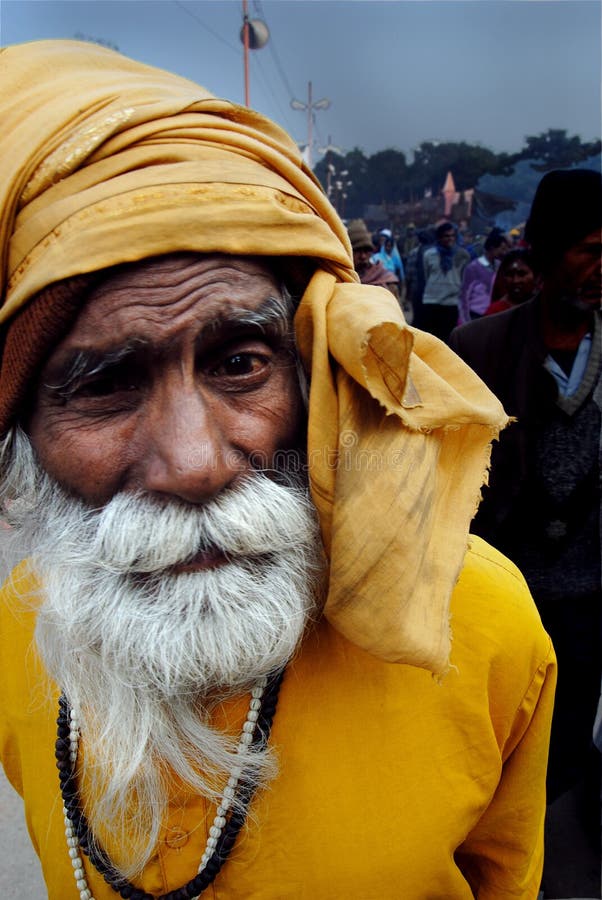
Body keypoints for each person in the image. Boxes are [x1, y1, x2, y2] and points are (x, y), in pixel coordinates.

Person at [0, 40, 555, 899]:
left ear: (312, 374)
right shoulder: (19, 631)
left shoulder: (479, 622)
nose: (194, 462)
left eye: (239, 364)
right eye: (105, 385)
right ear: (21, 434)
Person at [450, 168, 602, 898]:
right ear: (541, 254)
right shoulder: (478, 350)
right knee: (488, 755)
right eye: (588, 248)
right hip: (500, 600)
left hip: (591, 601)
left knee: (567, 750)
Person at [421, 222, 470, 341]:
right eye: (446, 236)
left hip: (451, 303)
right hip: (431, 301)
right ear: (439, 238)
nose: (450, 239)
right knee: (431, 339)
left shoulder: (463, 255)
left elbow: (464, 278)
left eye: (452, 236)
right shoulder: (429, 254)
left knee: (447, 339)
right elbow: (426, 275)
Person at [458, 228, 510, 324]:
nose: (504, 252)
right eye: (501, 249)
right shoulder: (473, 267)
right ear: (492, 248)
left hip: (492, 313)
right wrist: (465, 320)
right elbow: (464, 296)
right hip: (476, 314)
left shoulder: (499, 265)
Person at [485, 248, 539, 316]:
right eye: (509, 274)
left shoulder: (545, 306)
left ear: (536, 276)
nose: (515, 281)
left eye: (522, 274)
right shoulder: (495, 312)